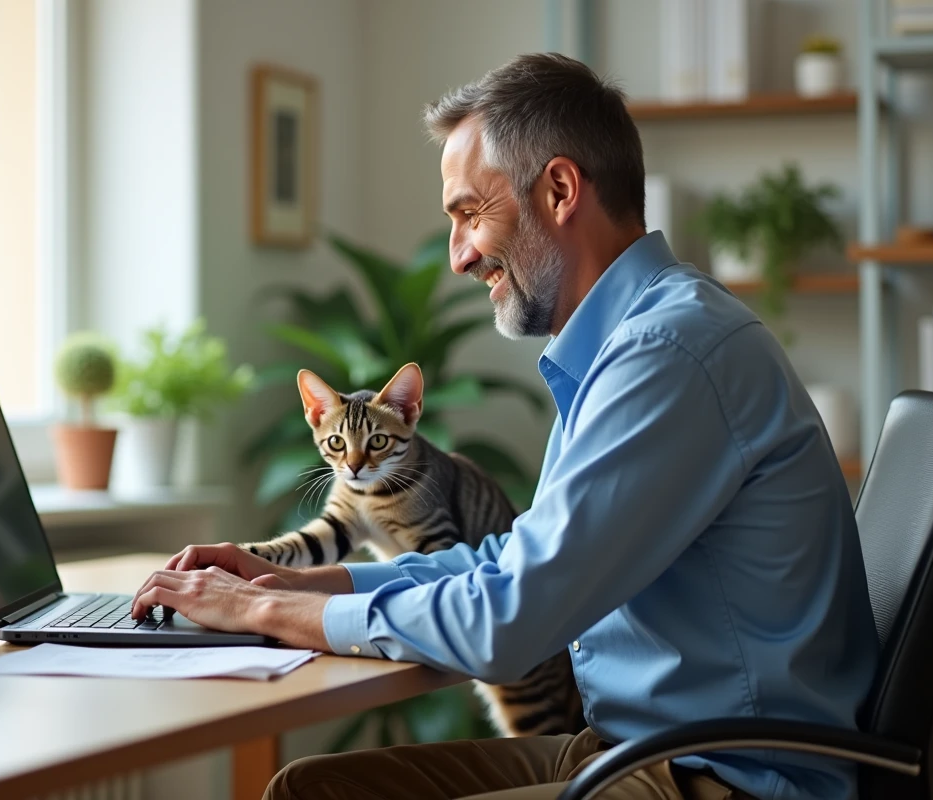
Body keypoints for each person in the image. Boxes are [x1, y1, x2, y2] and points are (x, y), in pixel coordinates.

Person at [130, 53, 879, 800]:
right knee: (308, 790)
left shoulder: (666, 354)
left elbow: (507, 623)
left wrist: (266, 610)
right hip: (636, 749)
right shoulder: (631, 343)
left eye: (469, 213)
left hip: (723, 777)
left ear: (558, 190)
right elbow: (514, 564)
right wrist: (301, 580)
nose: (459, 255)